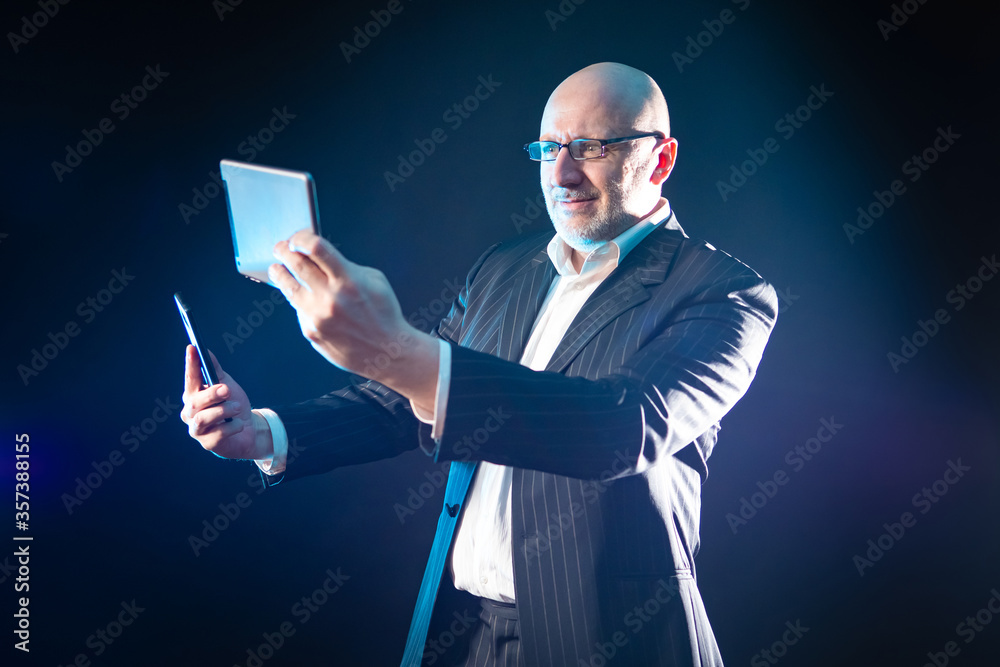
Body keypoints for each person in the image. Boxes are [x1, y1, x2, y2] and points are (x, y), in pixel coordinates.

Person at [181, 62, 777, 666]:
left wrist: (403, 350)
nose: (563, 173)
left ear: (661, 159)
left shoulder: (724, 292)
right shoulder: (502, 268)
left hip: (612, 641)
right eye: (549, 149)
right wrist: (262, 432)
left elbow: (620, 427)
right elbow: (404, 400)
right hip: (471, 633)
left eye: (591, 147)